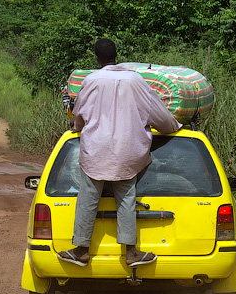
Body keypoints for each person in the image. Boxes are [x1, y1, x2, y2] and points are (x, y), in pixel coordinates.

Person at [58, 38, 181, 268]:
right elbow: (159, 114)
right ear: (117, 55)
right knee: (126, 197)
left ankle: (82, 249)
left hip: (95, 152)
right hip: (129, 154)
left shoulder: (91, 80)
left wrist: (76, 126)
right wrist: (174, 126)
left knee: (88, 197)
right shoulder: (136, 80)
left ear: (96, 58)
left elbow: (80, 117)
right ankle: (131, 252)